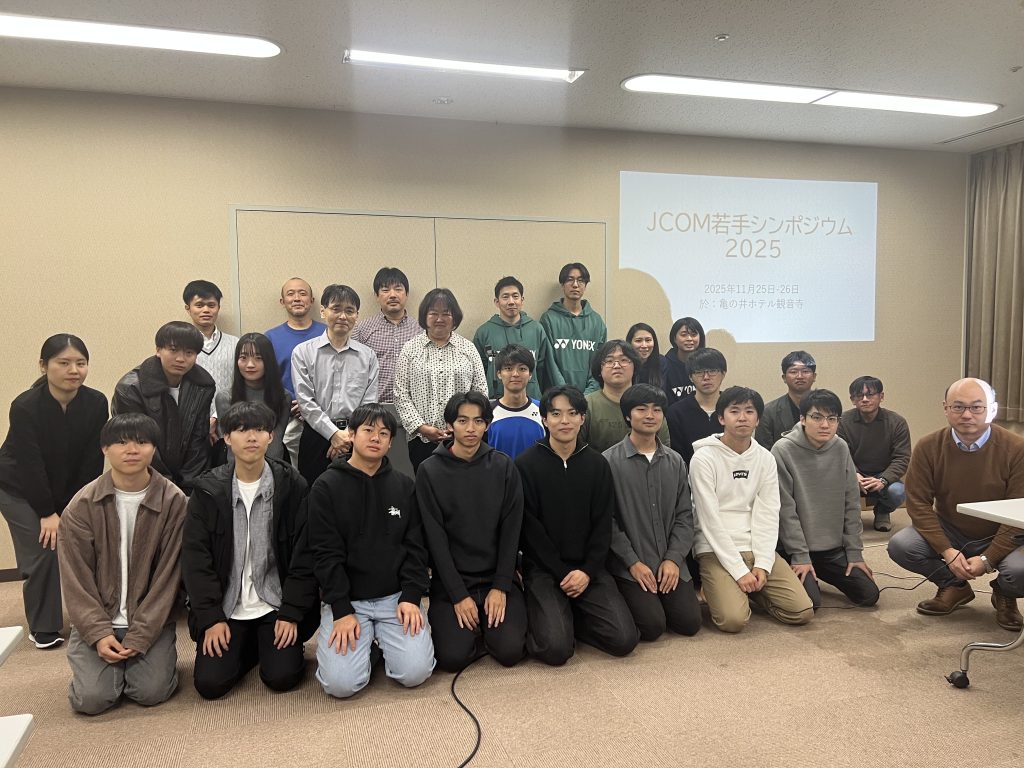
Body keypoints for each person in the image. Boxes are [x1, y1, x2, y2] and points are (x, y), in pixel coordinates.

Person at [182, 402, 319, 699]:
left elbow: (304, 557)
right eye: (242, 430)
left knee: (282, 677)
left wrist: (291, 613)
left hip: (275, 604)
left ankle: (261, 645)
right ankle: (251, 645)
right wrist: (211, 618)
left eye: (259, 429)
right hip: (227, 606)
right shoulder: (207, 491)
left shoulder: (293, 486)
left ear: (271, 436)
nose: (252, 437)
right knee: (210, 685)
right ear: (227, 437)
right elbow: (196, 561)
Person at [59, 414, 186, 714]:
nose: (132, 450)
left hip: (150, 620)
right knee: (92, 700)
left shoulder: (174, 501)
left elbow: (169, 578)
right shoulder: (82, 505)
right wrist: (99, 633)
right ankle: (99, 664)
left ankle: (144, 665)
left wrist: (141, 634)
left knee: (150, 692)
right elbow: (76, 580)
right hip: (99, 617)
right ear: (105, 448)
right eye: (121, 442)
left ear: (154, 448)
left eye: (142, 442)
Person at [308, 403, 434, 698]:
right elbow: (325, 554)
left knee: (415, 673)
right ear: (351, 434)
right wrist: (341, 609)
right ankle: (370, 649)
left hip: (395, 598)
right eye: (368, 430)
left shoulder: (404, 486)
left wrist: (411, 596)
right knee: (341, 685)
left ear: (391, 442)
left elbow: (416, 548)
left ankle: (380, 643)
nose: (376, 438)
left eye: (384, 433)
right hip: (349, 601)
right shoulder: (326, 487)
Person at [888, 378, 1024, 631]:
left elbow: (1019, 511)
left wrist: (988, 559)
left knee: (1019, 570)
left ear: (992, 409)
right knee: (902, 546)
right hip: (952, 528)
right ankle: (954, 586)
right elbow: (918, 504)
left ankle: (1004, 593)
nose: (967, 415)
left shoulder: (1017, 448)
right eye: (958, 407)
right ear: (946, 408)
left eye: (977, 407)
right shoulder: (928, 446)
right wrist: (947, 551)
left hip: (1005, 531)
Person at [516, 385, 639, 664]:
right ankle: (556, 617)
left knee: (624, 640)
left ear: (582, 418)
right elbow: (530, 530)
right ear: (544, 419)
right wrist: (561, 572)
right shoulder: (525, 464)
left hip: (588, 568)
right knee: (556, 649)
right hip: (545, 569)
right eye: (556, 414)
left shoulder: (597, 464)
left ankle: (574, 617)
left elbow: (603, 524)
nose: (565, 421)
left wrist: (586, 571)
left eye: (572, 413)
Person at [0, 334, 108, 649]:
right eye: (64, 363)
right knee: (44, 549)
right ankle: (44, 626)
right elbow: (30, 465)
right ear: (44, 366)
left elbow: (92, 462)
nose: (74, 370)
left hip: (66, 487)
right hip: (18, 488)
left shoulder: (96, 402)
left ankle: (94, 615)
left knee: (83, 544)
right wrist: (48, 513)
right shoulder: (25, 406)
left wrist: (72, 509)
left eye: (81, 363)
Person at [417, 391, 527, 671]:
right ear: (450, 424)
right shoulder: (429, 470)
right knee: (453, 658)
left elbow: (511, 531)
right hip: (453, 581)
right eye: (462, 420)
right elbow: (435, 538)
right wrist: (458, 595)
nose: (470, 428)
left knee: (510, 652)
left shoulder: (503, 466)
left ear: (487, 425)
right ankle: (474, 626)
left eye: (478, 421)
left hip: (496, 577)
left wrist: (501, 586)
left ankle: (489, 626)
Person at [690, 386, 813, 633]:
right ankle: (727, 588)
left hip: (755, 546)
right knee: (733, 621)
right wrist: (738, 570)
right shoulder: (703, 458)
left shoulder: (765, 458)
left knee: (802, 611)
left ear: (758, 419)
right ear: (721, 418)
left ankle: (749, 590)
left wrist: (763, 564)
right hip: (715, 548)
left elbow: (768, 513)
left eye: (749, 411)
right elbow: (708, 519)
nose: (742, 418)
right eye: (734, 411)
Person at [603, 384, 701, 640]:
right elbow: (607, 522)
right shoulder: (608, 462)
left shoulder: (675, 461)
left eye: (657, 409)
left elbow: (685, 516)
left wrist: (674, 559)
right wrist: (633, 563)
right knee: (652, 626)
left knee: (689, 623)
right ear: (628, 415)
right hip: (631, 564)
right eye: (641, 409)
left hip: (669, 560)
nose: (650, 415)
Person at [772, 389, 880, 610]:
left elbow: (851, 503)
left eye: (832, 419)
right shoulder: (782, 450)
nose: (825, 425)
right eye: (817, 417)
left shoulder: (840, 447)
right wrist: (800, 556)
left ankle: (820, 570)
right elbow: (786, 511)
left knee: (869, 595)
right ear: (802, 419)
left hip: (831, 549)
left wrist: (854, 553)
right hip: (793, 549)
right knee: (810, 604)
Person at [112, 322, 216, 494]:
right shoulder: (130, 389)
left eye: (189, 353)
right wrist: (167, 488)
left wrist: (190, 490)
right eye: (173, 350)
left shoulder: (203, 385)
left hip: (189, 483)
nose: (181, 359)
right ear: (158, 350)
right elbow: (137, 445)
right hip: (144, 479)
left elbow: (198, 440)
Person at [291, 284, 379, 485]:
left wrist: (347, 436)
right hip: (316, 436)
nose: (343, 316)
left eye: (349, 311)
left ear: (357, 316)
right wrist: (333, 434)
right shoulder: (303, 352)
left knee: (356, 495)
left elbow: (369, 402)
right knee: (314, 493)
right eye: (336, 309)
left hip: (357, 436)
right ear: (323, 312)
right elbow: (305, 402)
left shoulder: (368, 356)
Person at [394, 288, 488, 471]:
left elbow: (480, 392)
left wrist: (465, 425)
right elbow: (400, 394)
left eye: (446, 313)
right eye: (433, 313)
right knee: (427, 485)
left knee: (464, 484)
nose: (439, 319)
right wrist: (421, 427)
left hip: (464, 437)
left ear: (455, 317)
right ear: (424, 316)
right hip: (422, 439)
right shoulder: (410, 349)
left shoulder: (468, 349)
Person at [353, 267, 421, 477]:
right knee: (374, 471)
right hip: (375, 411)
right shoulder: (362, 330)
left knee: (409, 471)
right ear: (377, 295)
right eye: (385, 290)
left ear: (406, 294)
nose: (392, 295)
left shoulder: (421, 329)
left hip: (414, 413)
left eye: (398, 289)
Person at [265, 277, 326, 470]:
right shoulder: (270, 338)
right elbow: (266, 380)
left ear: (312, 300)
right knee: (287, 472)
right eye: (290, 294)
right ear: (282, 301)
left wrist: (309, 404)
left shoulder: (328, 333)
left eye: (303, 293)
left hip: (324, 416)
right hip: (286, 417)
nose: (297, 298)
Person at [838, 376, 911, 532]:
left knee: (898, 492)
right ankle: (850, 516)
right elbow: (841, 454)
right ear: (852, 399)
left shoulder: (897, 422)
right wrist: (854, 474)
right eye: (859, 395)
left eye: (870, 394)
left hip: (884, 475)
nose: (865, 399)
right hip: (853, 474)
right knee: (831, 488)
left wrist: (883, 479)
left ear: (881, 396)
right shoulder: (843, 422)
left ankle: (882, 511)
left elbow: (902, 458)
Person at [472, 276, 564, 400]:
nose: (511, 302)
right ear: (497, 302)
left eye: (515, 296)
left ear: (522, 300)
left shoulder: (536, 329)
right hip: (495, 403)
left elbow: (542, 369)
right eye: (505, 297)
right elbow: (478, 373)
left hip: (532, 401)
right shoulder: (484, 332)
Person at [580, 340, 670, 452]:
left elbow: (664, 451)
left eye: (624, 360)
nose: (616, 366)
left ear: (635, 367)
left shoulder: (652, 402)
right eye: (609, 361)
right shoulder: (587, 405)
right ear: (599, 369)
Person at [214, 333, 291, 464]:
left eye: (258, 358)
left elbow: (275, 443)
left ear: (268, 361)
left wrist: (269, 472)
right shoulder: (225, 397)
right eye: (243, 358)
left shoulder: (283, 397)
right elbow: (232, 446)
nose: (250, 364)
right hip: (237, 467)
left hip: (273, 465)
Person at [182, 280, 239, 439]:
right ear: (188, 308)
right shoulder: (180, 347)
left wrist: (215, 417)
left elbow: (239, 385)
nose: (206, 310)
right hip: (189, 426)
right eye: (199, 305)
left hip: (229, 423)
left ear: (218, 308)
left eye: (211, 305)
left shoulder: (235, 344)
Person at [539, 263, 606, 394]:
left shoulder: (597, 321)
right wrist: (566, 393)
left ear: (585, 285)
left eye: (580, 280)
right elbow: (550, 363)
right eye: (570, 280)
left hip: (588, 397)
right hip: (557, 395)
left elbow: (600, 362)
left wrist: (588, 394)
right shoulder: (548, 319)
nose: (575, 285)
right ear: (562, 285)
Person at [666, 347, 728, 466]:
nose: (706, 377)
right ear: (690, 377)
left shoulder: (733, 409)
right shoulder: (676, 413)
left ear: (723, 373)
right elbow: (676, 457)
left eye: (712, 371)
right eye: (699, 372)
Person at [486, 344, 546, 459]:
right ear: (499, 374)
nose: (515, 374)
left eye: (522, 369)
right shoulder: (488, 412)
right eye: (509, 368)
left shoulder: (543, 411)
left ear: (530, 374)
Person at [755, 351, 817, 449]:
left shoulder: (827, 408)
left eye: (805, 371)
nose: (800, 376)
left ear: (814, 376)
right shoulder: (768, 412)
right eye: (793, 372)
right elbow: (764, 451)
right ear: (784, 378)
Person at [661, 317, 706, 406]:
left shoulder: (706, 363)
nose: (689, 338)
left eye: (694, 334)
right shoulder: (664, 364)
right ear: (674, 338)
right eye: (684, 335)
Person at [625, 322, 662, 388]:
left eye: (648, 340)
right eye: (638, 341)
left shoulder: (662, 362)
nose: (644, 345)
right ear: (630, 343)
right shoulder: (624, 364)